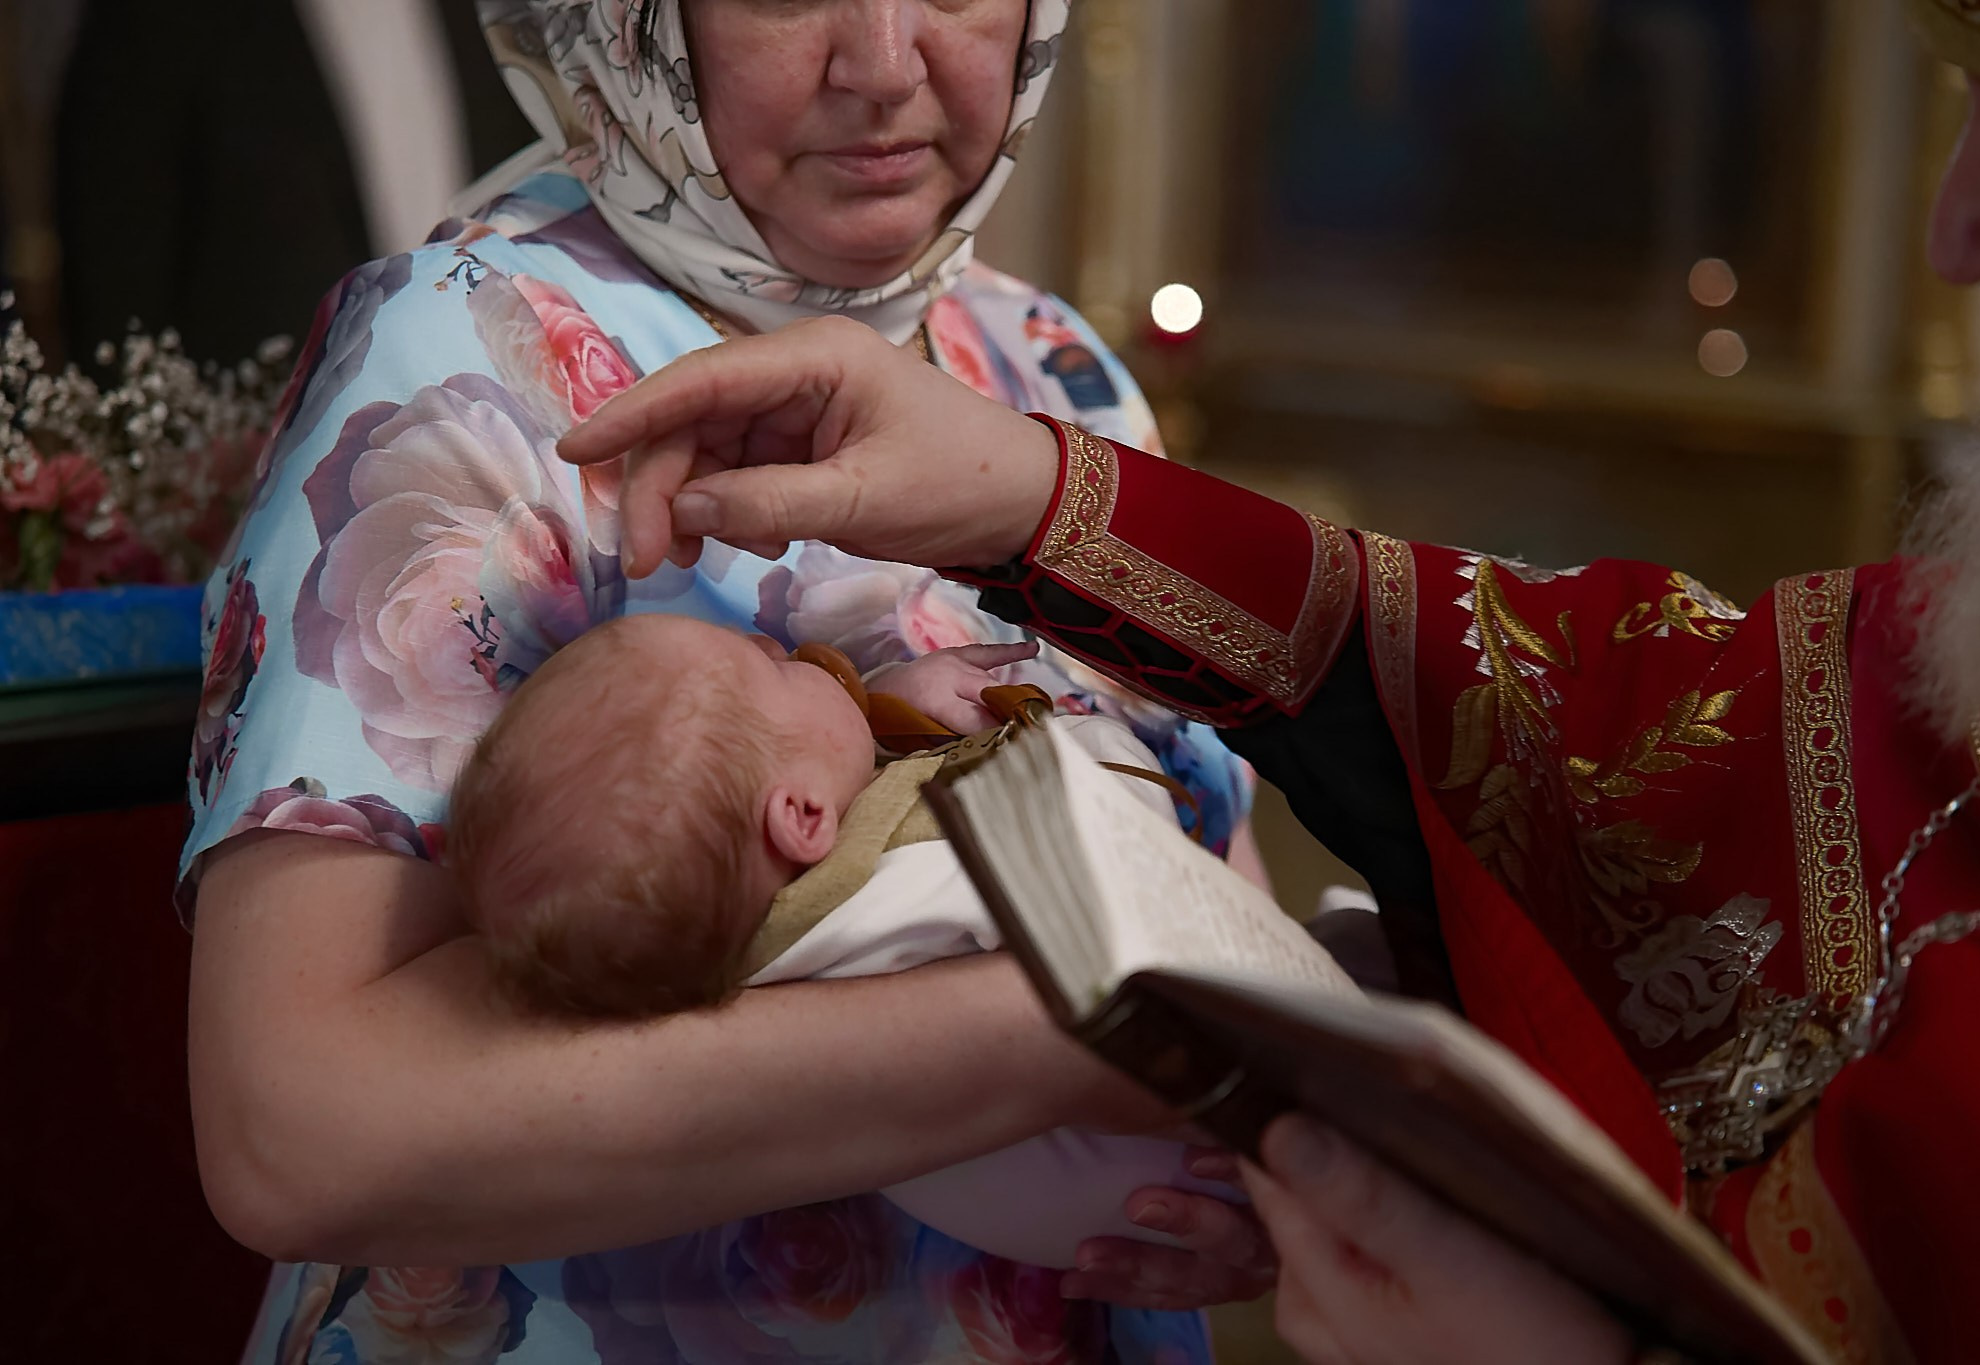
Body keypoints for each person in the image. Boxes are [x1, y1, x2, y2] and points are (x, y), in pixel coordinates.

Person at [553, 7, 1980, 1359]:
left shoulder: (1051, 356)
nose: (1958, 228)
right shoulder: (481, 349)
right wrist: (1034, 501)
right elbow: (1614, 720)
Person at [182, 2, 1273, 1361]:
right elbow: (297, 1134)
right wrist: (1062, 1029)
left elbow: (1220, 882)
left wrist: (1253, 1166)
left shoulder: (1063, 372)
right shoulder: (459, 354)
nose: (885, 66)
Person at [447, 615, 1232, 1270]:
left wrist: (887, 711)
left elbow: (851, 781)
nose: (791, 649)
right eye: (782, 671)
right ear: (804, 815)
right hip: (1184, 1159)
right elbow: (1126, 881)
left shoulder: (770, 929)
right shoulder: (909, 892)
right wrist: (1080, 740)